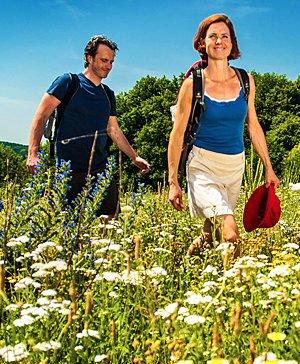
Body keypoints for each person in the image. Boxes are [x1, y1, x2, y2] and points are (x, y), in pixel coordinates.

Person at [168, 14, 280, 256]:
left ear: (232, 43)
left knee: (211, 231)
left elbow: (254, 126)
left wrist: (268, 167)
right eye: (213, 36)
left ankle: (184, 264)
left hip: (234, 166)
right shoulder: (192, 84)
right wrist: (173, 181)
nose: (219, 41)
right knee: (230, 232)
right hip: (202, 165)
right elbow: (177, 135)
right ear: (202, 43)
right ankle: (237, 286)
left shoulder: (245, 80)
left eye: (225, 36)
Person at [26, 35, 150, 218]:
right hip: (69, 173)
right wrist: (33, 153)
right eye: (104, 60)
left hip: (101, 171)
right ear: (89, 58)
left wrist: (135, 157)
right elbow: (41, 116)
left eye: (112, 62)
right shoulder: (68, 82)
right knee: (68, 230)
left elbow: (113, 130)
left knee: (111, 224)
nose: (108, 66)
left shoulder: (108, 94)